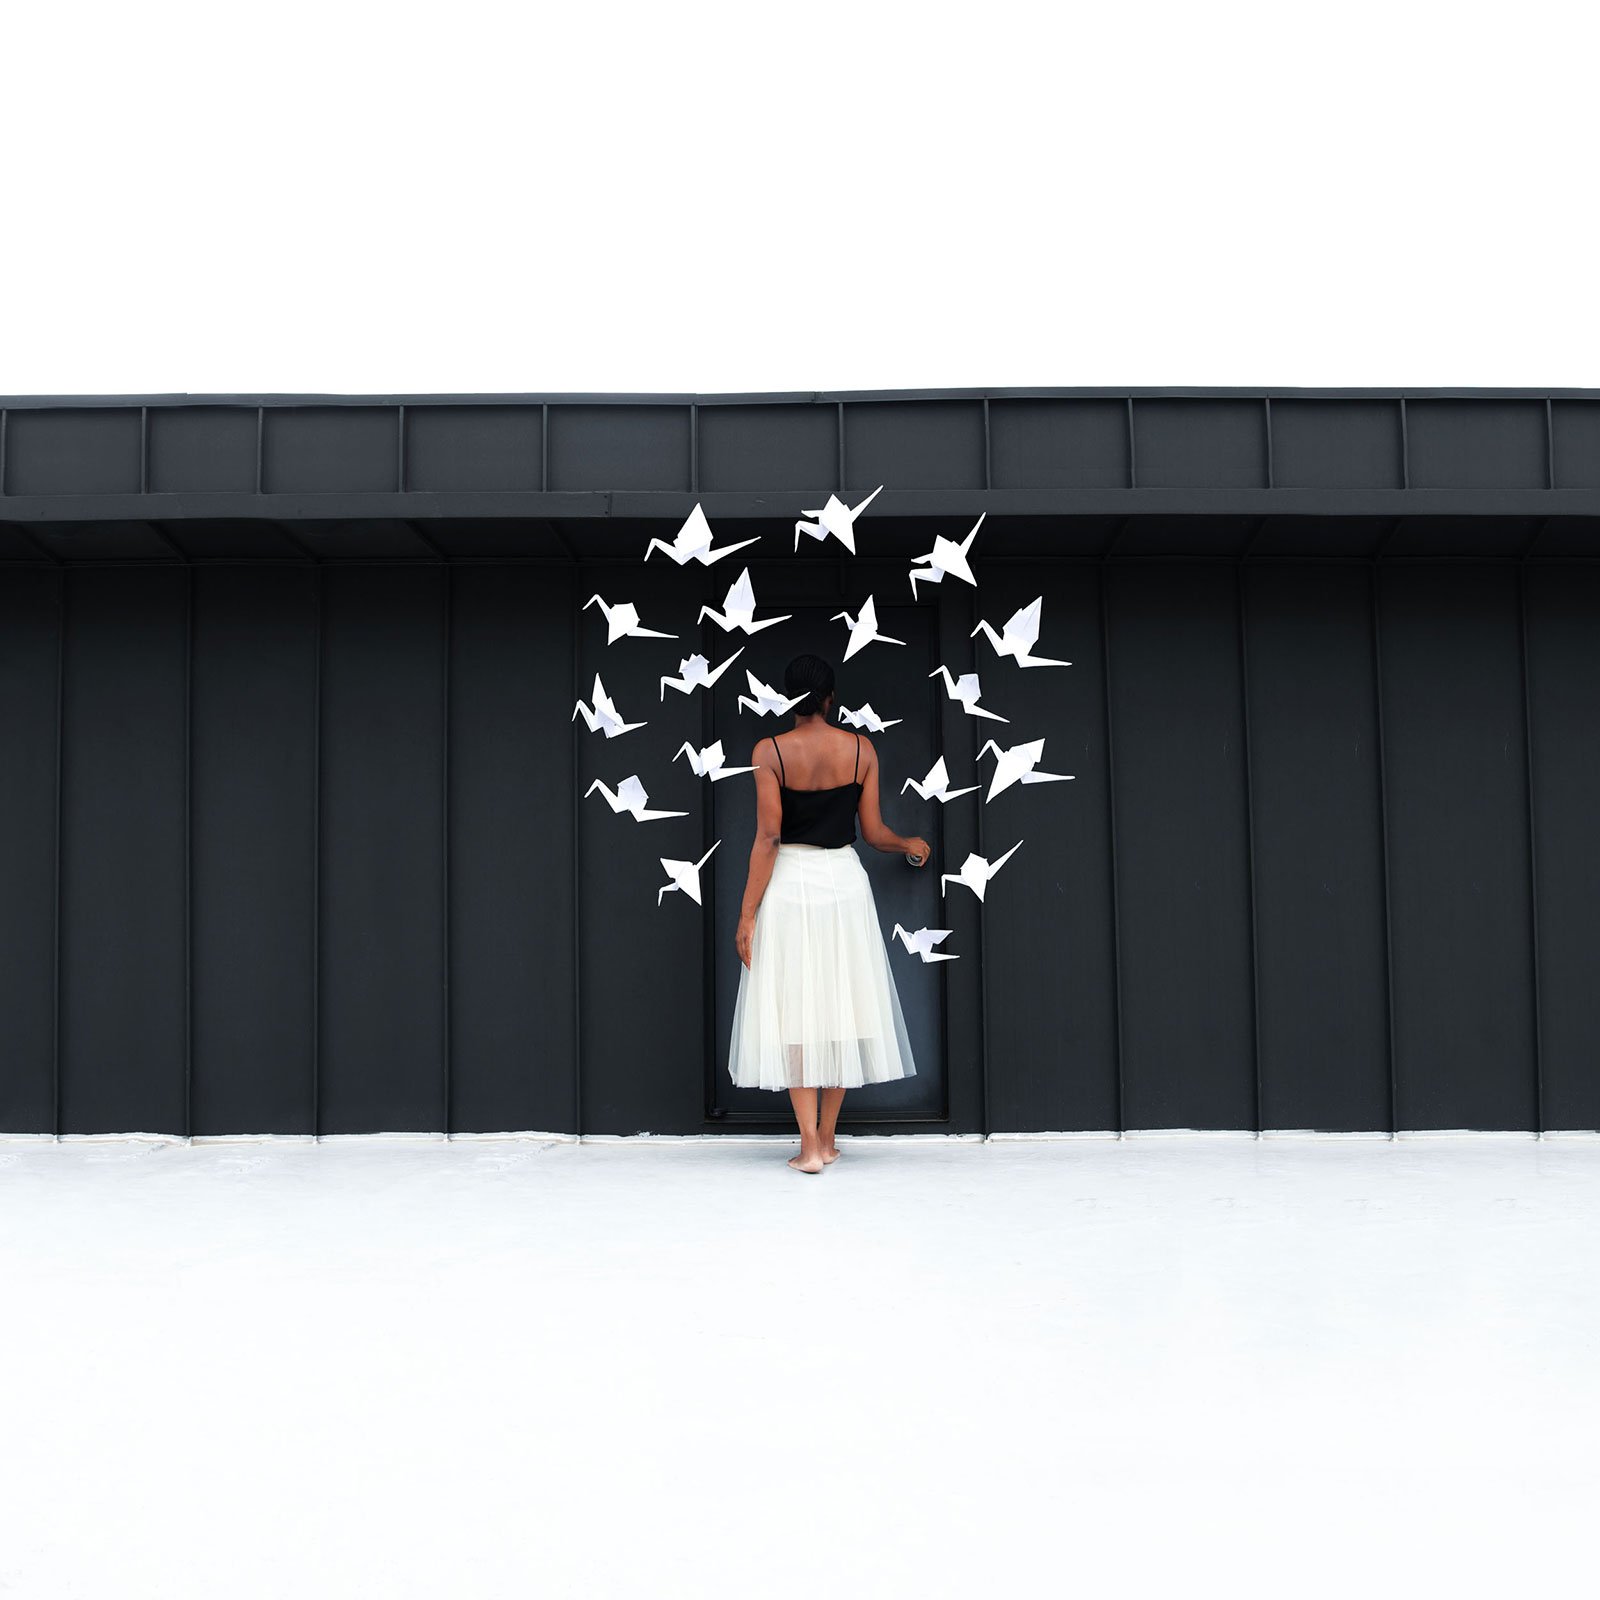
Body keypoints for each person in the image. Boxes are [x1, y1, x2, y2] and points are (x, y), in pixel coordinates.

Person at [728, 653, 933, 1174]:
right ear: (829, 698)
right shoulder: (861, 750)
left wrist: (747, 914)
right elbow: (873, 832)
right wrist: (908, 842)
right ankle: (828, 1136)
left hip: (791, 884)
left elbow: (769, 837)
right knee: (843, 1005)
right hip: (844, 883)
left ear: (788, 698)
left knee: (795, 1010)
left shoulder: (769, 751)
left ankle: (808, 1148)